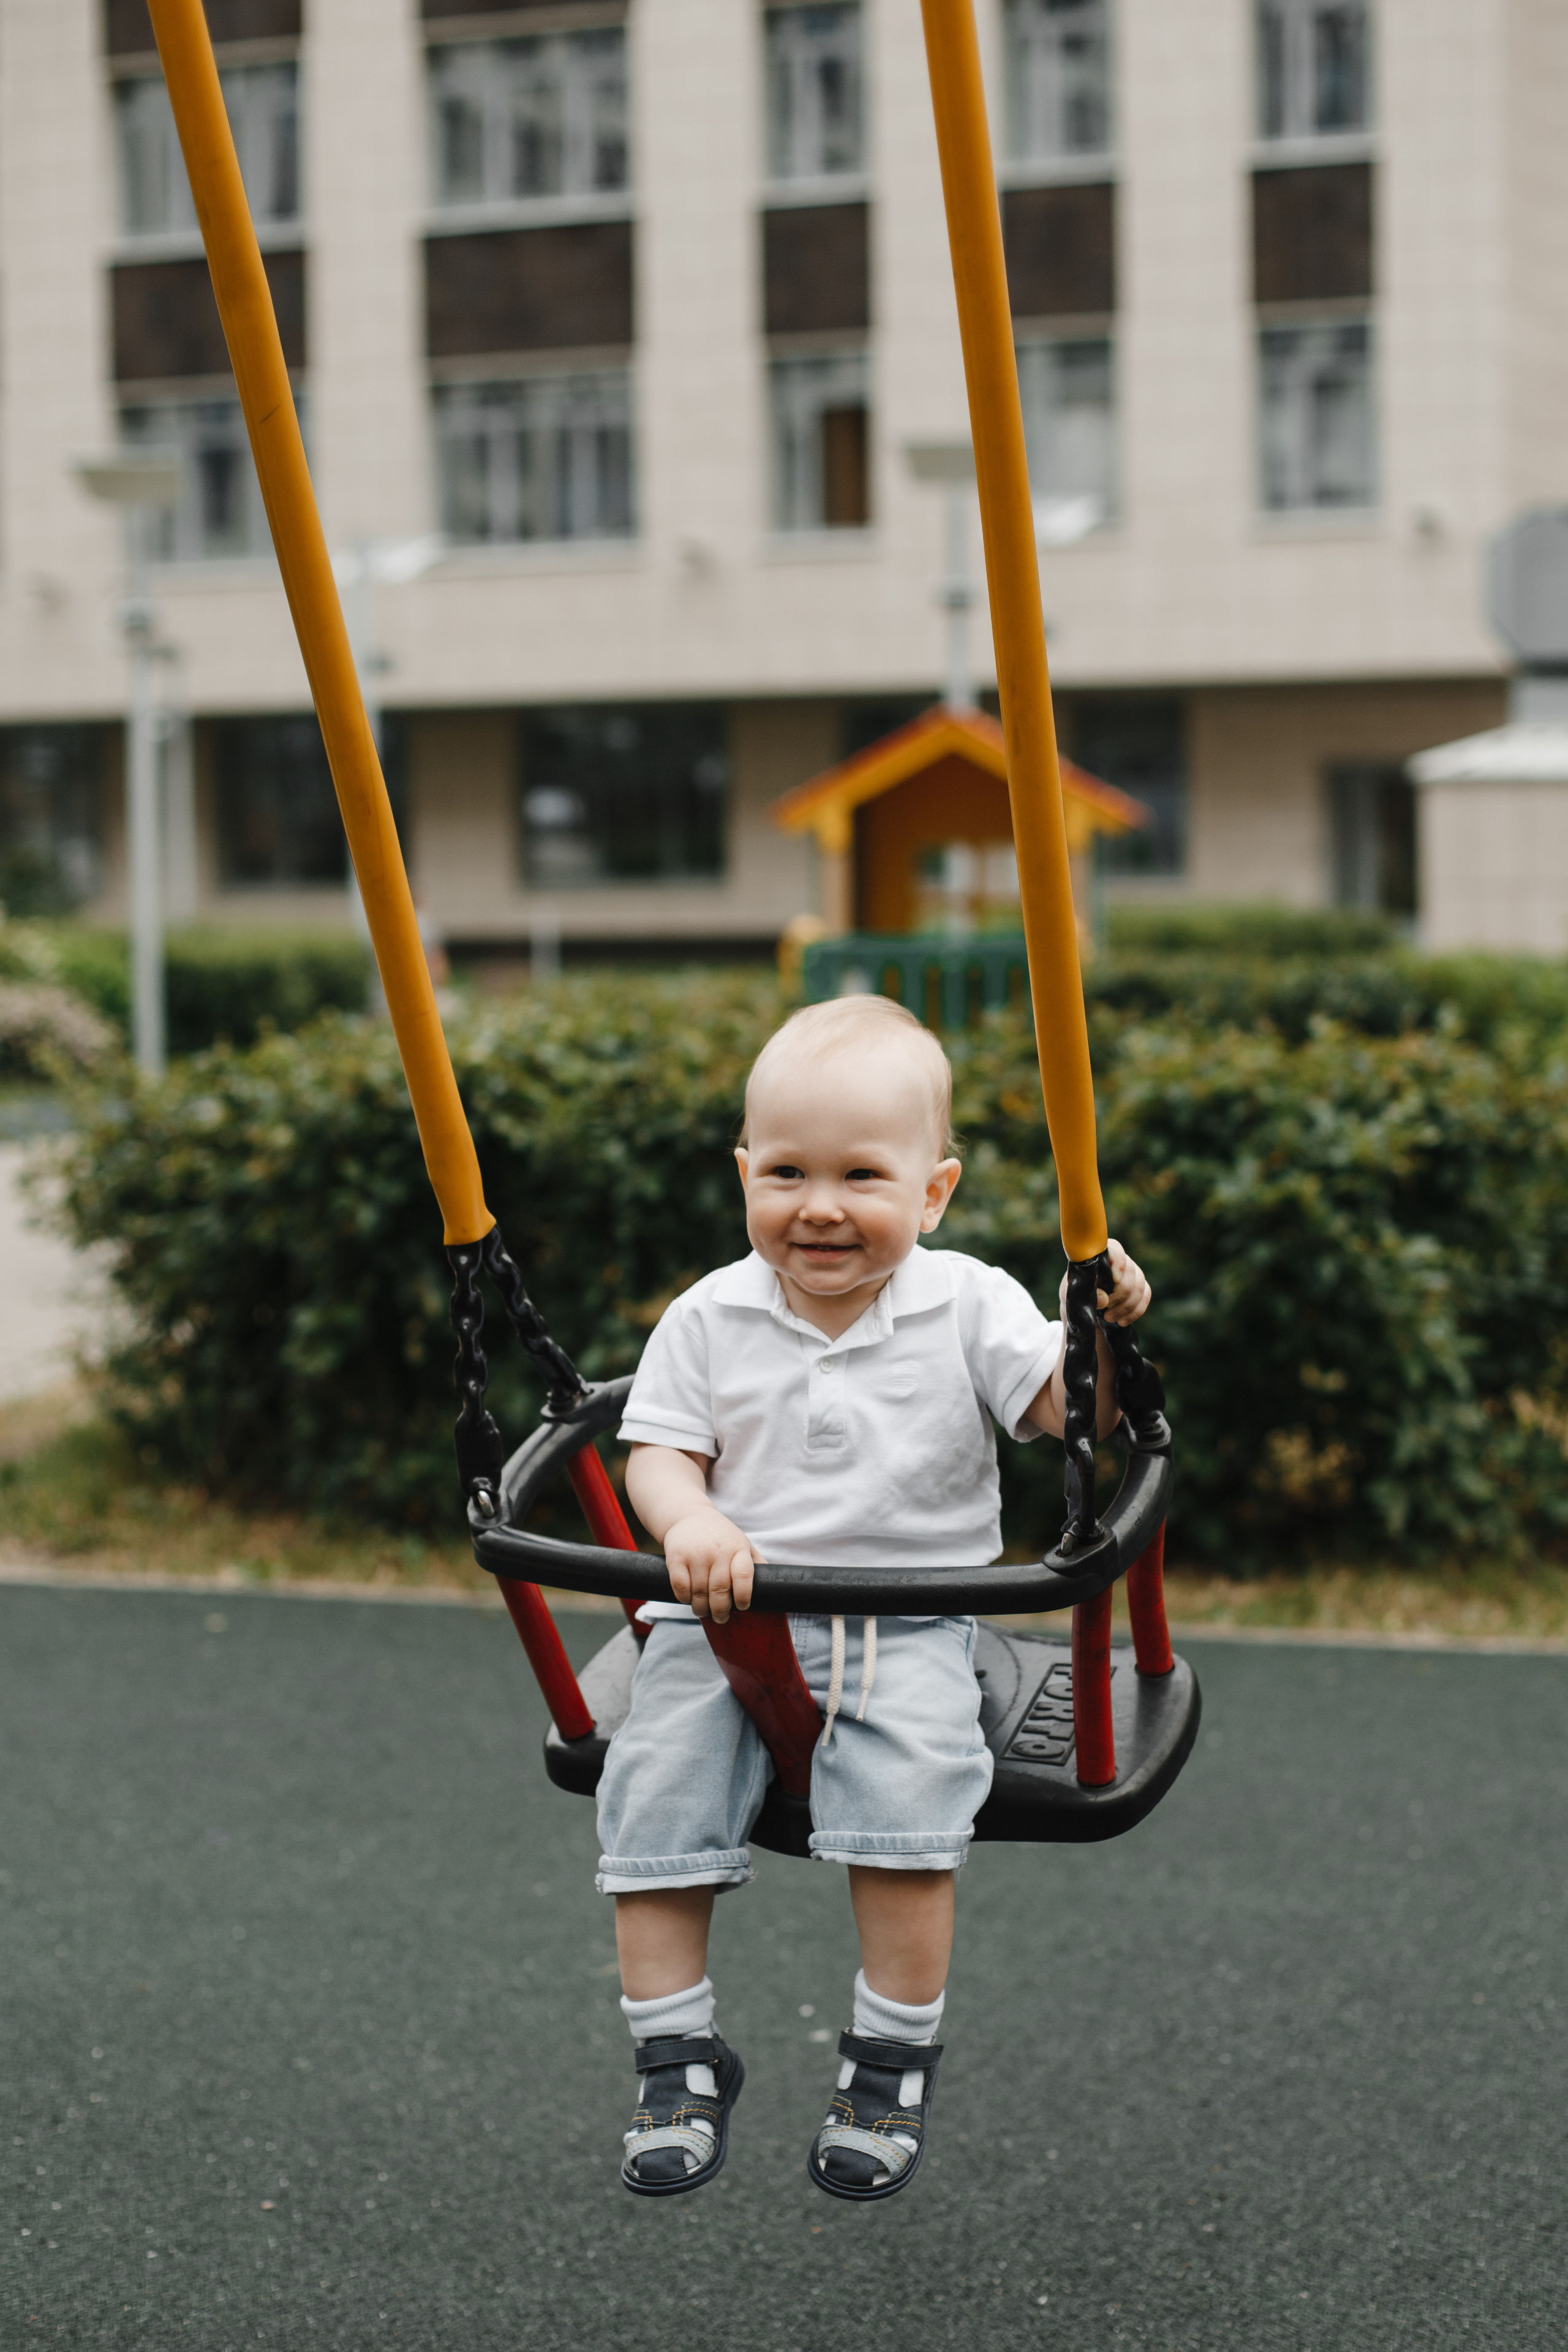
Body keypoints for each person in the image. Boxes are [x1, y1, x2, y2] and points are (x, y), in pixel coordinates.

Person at [598, 993, 1151, 2201]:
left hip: (907, 1619)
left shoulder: (970, 1303)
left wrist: (1102, 1332)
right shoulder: (708, 1312)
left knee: (907, 1828)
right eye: (786, 1171)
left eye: (861, 1173)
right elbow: (656, 1452)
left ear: (932, 1191)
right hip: (726, 1619)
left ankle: (887, 2064)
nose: (821, 1207)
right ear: (744, 1174)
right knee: (651, 1814)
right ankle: (673, 2058)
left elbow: (1072, 1418)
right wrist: (689, 1520)